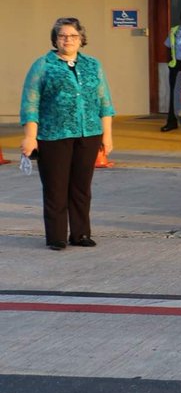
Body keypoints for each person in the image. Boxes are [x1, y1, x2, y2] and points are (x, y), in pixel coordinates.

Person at [20, 17, 115, 250]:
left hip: (88, 133)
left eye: (73, 36)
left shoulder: (93, 65)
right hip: (53, 135)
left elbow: (105, 101)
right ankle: (57, 236)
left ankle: (81, 234)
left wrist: (107, 135)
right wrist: (30, 137)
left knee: (81, 188)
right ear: (55, 39)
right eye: (62, 36)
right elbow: (30, 103)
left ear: (81, 39)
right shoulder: (43, 65)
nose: (68, 40)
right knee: (56, 187)